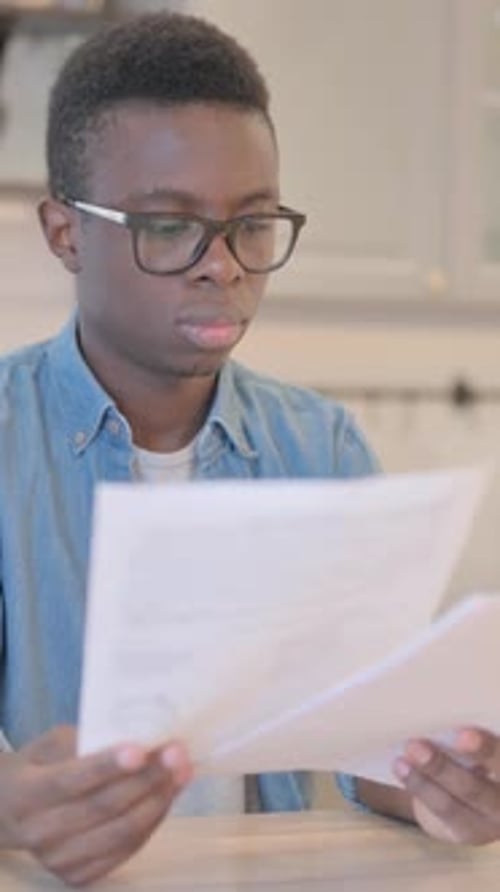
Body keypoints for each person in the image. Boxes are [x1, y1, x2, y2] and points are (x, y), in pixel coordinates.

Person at [0, 10, 498, 887]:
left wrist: (444, 783)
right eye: (168, 226)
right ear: (66, 234)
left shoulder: (320, 443)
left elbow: (369, 752)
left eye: (253, 224)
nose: (222, 264)